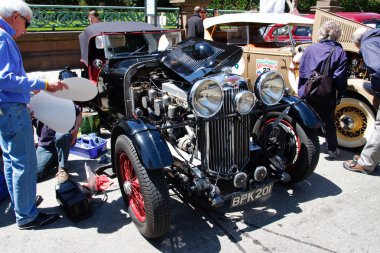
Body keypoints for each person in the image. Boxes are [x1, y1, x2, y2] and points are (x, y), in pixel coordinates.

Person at [0, 1, 68, 229]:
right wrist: (43, 83)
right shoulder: (3, 37)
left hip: (4, 107)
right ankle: (28, 216)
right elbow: (5, 79)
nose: (26, 30)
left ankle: (22, 205)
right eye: (26, 23)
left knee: (11, 161)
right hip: (10, 108)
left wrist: (29, 86)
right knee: (24, 163)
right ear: (16, 16)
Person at [298, 21, 347, 160]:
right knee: (327, 121)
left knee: (304, 118)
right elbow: (339, 77)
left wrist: (302, 90)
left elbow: (302, 71)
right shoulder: (339, 52)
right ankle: (332, 150)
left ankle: (305, 147)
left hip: (307, 90)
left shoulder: (310, 48)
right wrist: (341, 93)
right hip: (325, 93)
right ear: (338, 35)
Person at [343, 28, 380, 174]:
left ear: (358, 43)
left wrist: (377, 92)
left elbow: (377, 68)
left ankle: (366, 163)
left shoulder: (368, 43)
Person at [33, 104, 82, 182]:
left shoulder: (59, 98)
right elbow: (27, 124)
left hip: (62, 139)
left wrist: (76, 129)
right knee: (34, 175)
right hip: (46, 145)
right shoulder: (34, 103)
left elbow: (78, 112)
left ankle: (63, 168)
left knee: (62, 135)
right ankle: (56, 158)